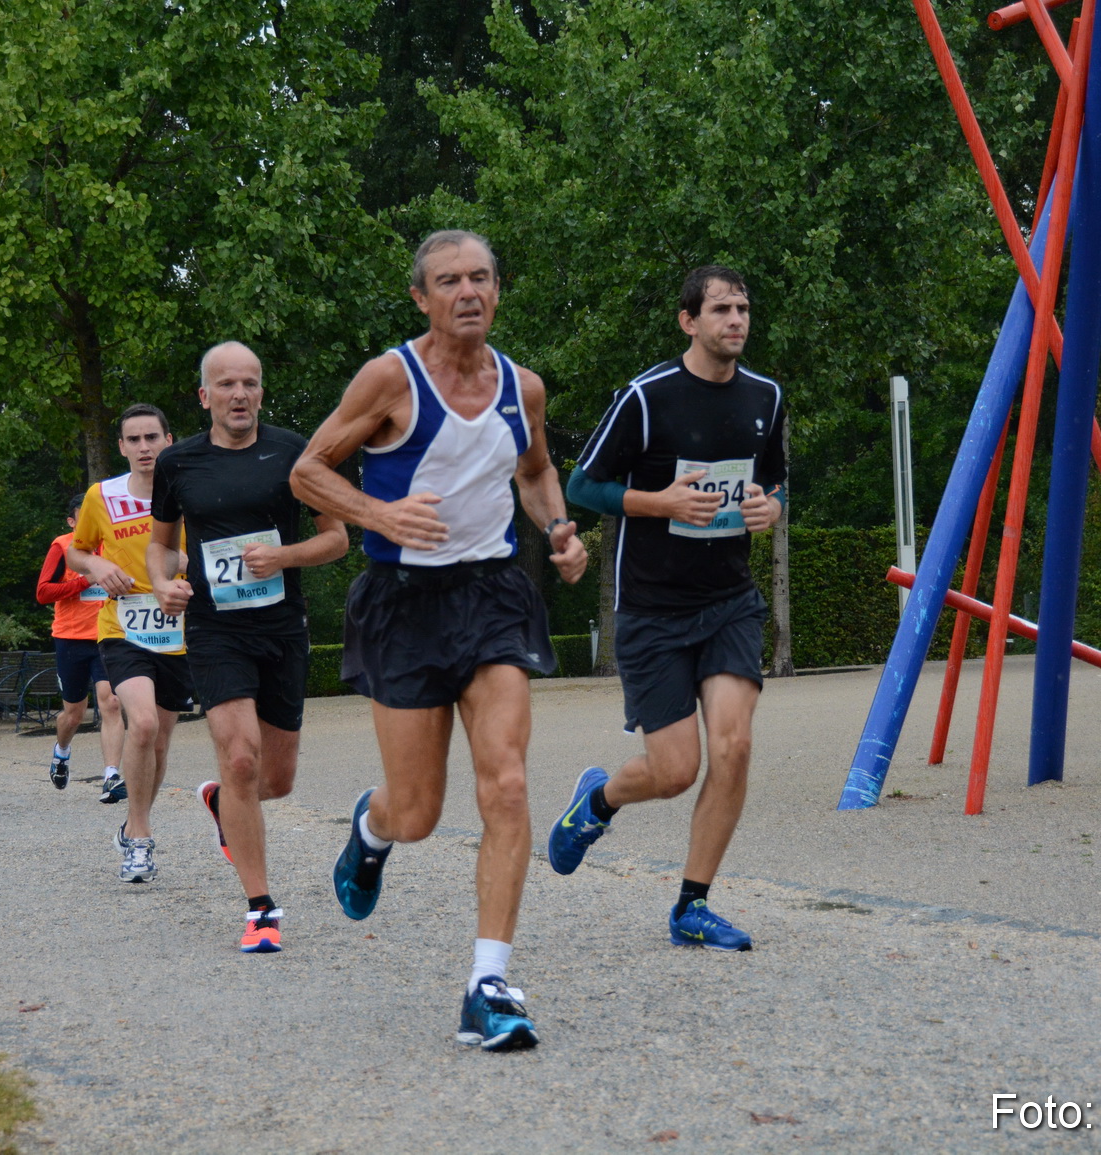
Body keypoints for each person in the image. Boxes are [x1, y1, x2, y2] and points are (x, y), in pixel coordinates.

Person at [292, 229, 587, 1049]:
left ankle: (488, 981)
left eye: (482, 277)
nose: (468, 291)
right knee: (418, 811)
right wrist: (380, 515)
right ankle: (372, 829)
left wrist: (559, 528)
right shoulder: (391, 377)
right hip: (402, 601)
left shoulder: (521, 386)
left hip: (492, 593)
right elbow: (309, 470)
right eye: (449, 280)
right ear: (421, 297)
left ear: (498, 290)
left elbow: (532, 469)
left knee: (508, 783)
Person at [550, 265, 786, 952]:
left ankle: (692, 905)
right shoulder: (646, 398)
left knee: (735, 746)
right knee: (675, 769)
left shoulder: (767, 396)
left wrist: (770, 505)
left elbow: (771, 478)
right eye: (720, 309)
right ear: (688, 320)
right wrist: (661, 503)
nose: (735, 320)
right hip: (652, 609)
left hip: (729, 602)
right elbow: (581, 483)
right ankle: (597, 800)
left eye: (743, 308)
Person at [147, 341, 348, 954]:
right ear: (205, 396)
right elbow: (161, 545)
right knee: (239, 758)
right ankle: (261, 909)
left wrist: (283, 557)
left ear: (262, 392)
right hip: (215, 628)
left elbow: (338, 539)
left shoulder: (295, 454)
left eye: (251, 384)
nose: (240, 395)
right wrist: (162, 584)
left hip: (282, 627)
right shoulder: (178, 463)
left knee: (275, 780)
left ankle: (223, 804)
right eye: (227, 385)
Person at [68, 404, 190, 883]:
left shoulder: (189, 490)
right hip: (122, 627)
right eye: (134, 440)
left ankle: (131, 821)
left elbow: (203, 553)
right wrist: (96, 567)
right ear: (121, 447)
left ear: (168, 440)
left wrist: (179, 575)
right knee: (140, 725)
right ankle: (140, 837)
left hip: (174, 629)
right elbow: (77, 550)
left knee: (158, 741)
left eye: (152, 438)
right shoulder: (102, 495)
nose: (144, 448)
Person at [35, 494, 124, 792]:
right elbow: (43, 592)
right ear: (72, 522)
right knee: (73, 714)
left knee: (111, 702)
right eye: (82, 518)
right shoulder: (63, 546)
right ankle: (61, 753)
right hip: (71, 638)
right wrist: (84, 581)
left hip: (108, 635)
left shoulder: (115, 544)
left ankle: (111, 775)